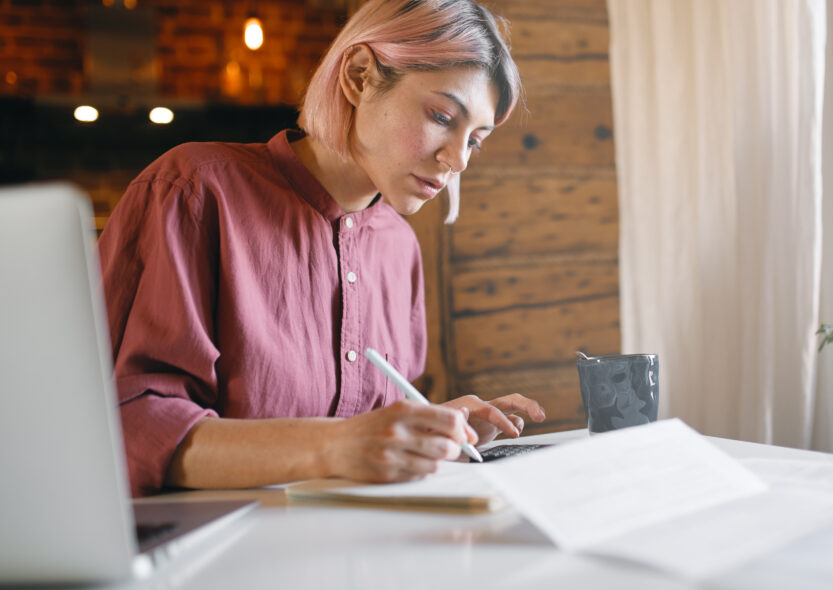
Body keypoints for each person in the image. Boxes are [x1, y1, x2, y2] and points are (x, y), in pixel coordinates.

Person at [98, 0, 545, 497]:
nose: (457, 159)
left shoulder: (399, 248)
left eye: (476, 141)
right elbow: (128, 426)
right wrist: (332, 446)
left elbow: (368, 440)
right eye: (442, 116)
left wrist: (428, 431)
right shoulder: (195, 191)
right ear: (358, 76)